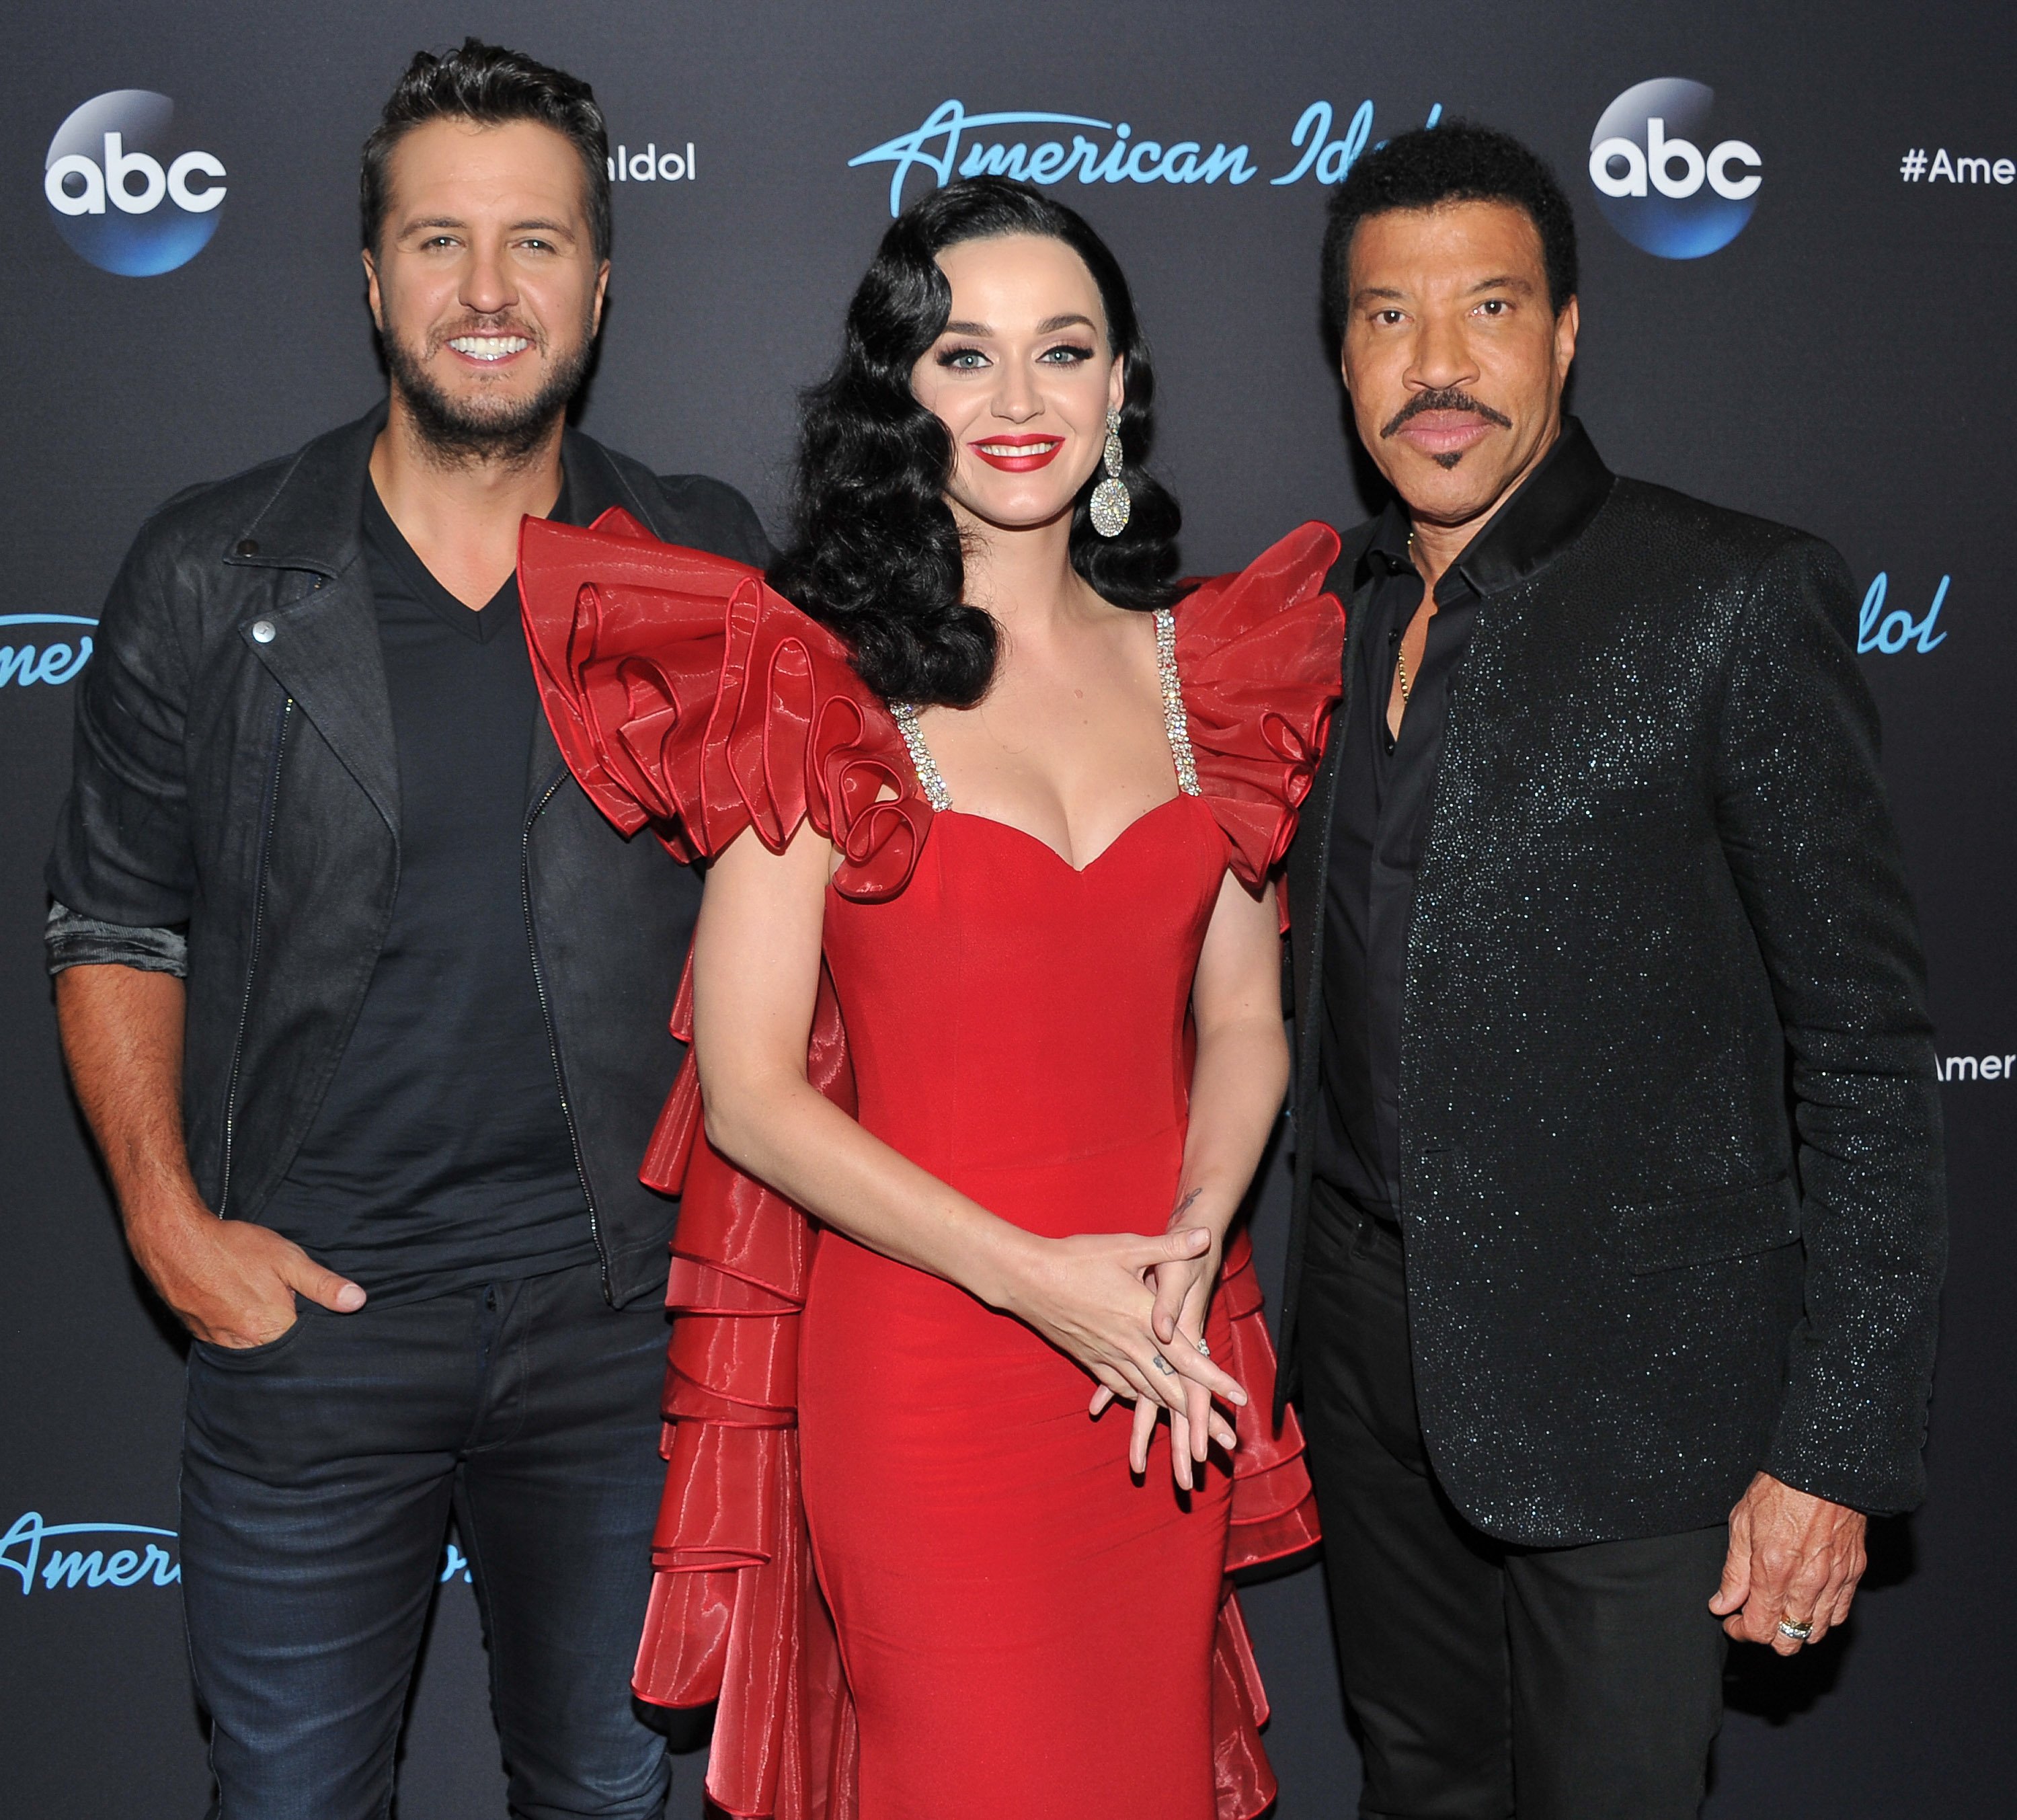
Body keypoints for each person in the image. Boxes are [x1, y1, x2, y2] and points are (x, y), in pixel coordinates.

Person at [514, 176, 1335, 1819]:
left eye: (1064, 350)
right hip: (937, 1366)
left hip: (1154, 1377)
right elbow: (750, 1089)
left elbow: (1245, 1018)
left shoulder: (1214, 671)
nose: (1019, 402)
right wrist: (1043, 1281)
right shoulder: (810, 680)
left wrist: (1185, 1237)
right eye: (964, 356)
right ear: (901, 394)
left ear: (1124, 387)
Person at [45, 40, 767, 1820]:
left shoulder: (704, 564)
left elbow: (796, 932)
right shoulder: (213, 575)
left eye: (536, 243)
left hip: (623, 1328)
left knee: (604, 1793)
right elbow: (117, 920)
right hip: (314, 1322)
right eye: (440, 241)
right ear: (372, 280)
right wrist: (167, 1222)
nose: (489, 289)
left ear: (601, 283)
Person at [1277, 122, 1947, 1819]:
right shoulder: (1326, 615)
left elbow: (1866, 1054)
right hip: (1363, 1338)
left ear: (1567, 331)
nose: (1438, 367)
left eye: (1487, 308)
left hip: (1641, 1382)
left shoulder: (1730, 600)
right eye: (1387, 319)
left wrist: (1836, 1446)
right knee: (1417, 1779)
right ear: (1342, 352)